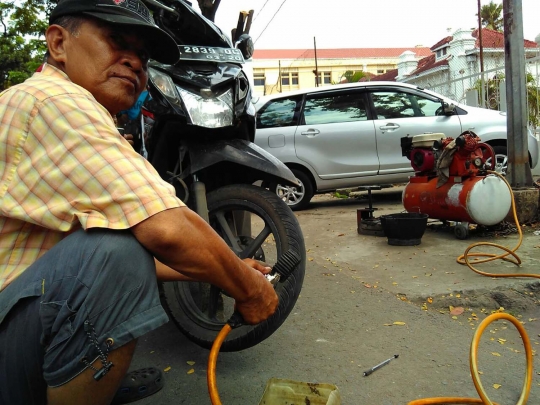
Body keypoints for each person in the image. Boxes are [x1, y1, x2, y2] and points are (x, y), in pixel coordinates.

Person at [0, 1, 278, 405]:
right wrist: (248, 288)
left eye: (143, 58)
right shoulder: (54, 100)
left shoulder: (49, 103)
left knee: (116, 246)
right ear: (59, 43)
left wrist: (221, 271)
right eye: (116, 41)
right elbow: (161, 230)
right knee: (116, 254)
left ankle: (83, 378)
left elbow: (81, 256)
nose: (133, 63)